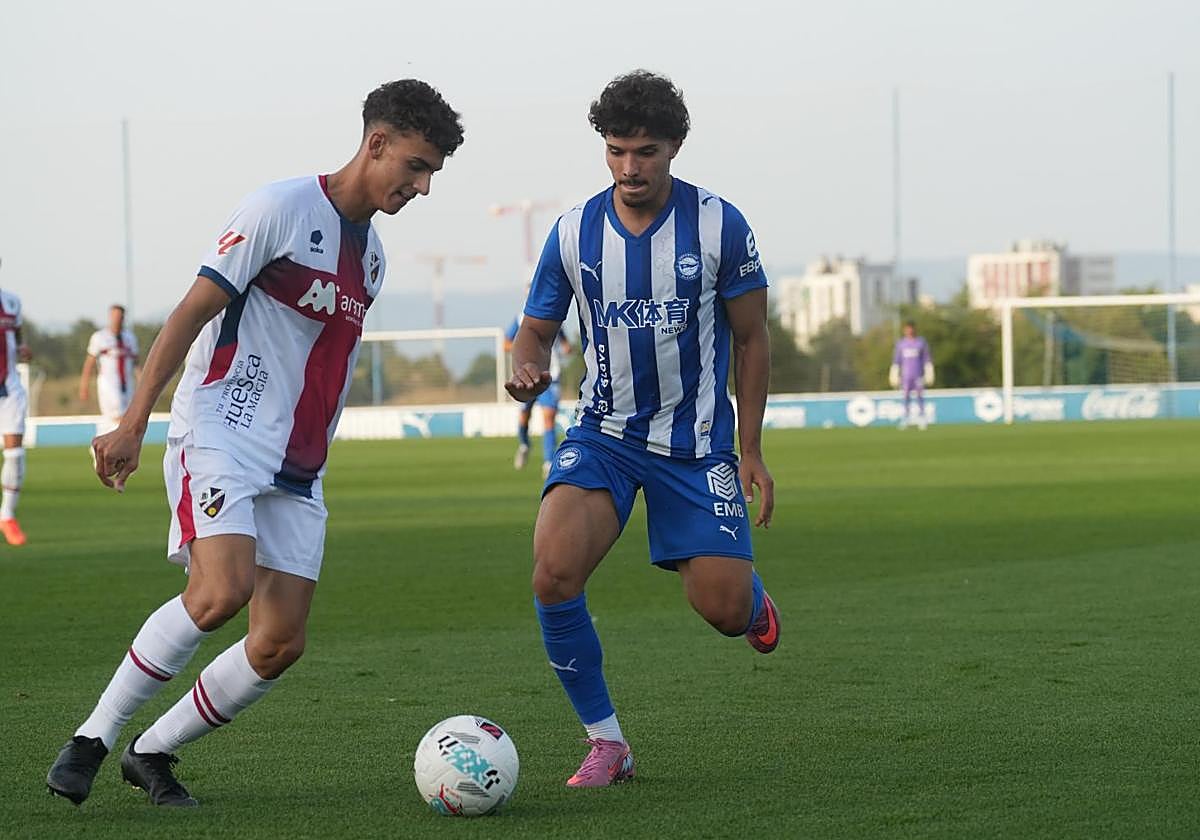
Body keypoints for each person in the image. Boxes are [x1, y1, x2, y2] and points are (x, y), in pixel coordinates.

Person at [45, 79, 464, 808]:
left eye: (432, 173)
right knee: (219, 592)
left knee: (278, 642)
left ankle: (153, 751)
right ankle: (92, 737)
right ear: (376, 143)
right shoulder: (279, 208)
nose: (423, 187)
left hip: (299, 468)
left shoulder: (372, 261)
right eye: (417, 166)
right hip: (222, 434)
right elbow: (191, 310)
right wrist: (135, 418)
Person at [506, 70, 781, 789]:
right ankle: (607, 742)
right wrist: (524, 368)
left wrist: (750, 450)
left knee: (721, 610)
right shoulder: (573, 232)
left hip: (695, 448)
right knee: (553, 572)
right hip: (604, 436)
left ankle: (750, 601)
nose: (630, 168)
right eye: (616, 150)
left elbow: (753, 341)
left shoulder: (721, 225)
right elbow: (534, 333)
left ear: (676, 147)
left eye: (646, 152)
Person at [505, 307, 571, 478]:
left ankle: (548, 462)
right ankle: (524, 444)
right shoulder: (522, 318)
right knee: (524, 416)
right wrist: (525, 349)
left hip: (550, 376)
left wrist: (566, 348)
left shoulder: (556, 316)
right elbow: (506, 343)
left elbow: (565, 344)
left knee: (549, 418)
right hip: (527, 375)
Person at [0, 265, 32, 546]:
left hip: (9, 386)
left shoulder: (11, 301)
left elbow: (18, 336)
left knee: (15, 453)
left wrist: (22, 349)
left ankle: (7, 515)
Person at [80, 305, 139, 432]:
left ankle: (100, 446)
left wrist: (142, 383)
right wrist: (84, 386)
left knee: (123, 417)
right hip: (109, 383)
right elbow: (89, 362)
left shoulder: (130, 338)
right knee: (117, 416)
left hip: (127, 384)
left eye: (120, 316)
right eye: (114, 316)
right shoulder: (99, 337)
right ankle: (113, 449)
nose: (117, 319)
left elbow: (136, 363)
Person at [888, 320, 934, 429]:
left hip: (918, 374)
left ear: (914, 329)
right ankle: (905, 418)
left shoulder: (921, 342)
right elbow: (897, 360)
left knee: (920, 396)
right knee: (905, 396)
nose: (909, 331)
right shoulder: (901, 344)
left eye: (911, 328)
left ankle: (922, 418)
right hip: (905, 375)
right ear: (904, 330)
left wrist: (929, 371)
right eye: (907, 328)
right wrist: (894, 372)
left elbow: (926, 358)